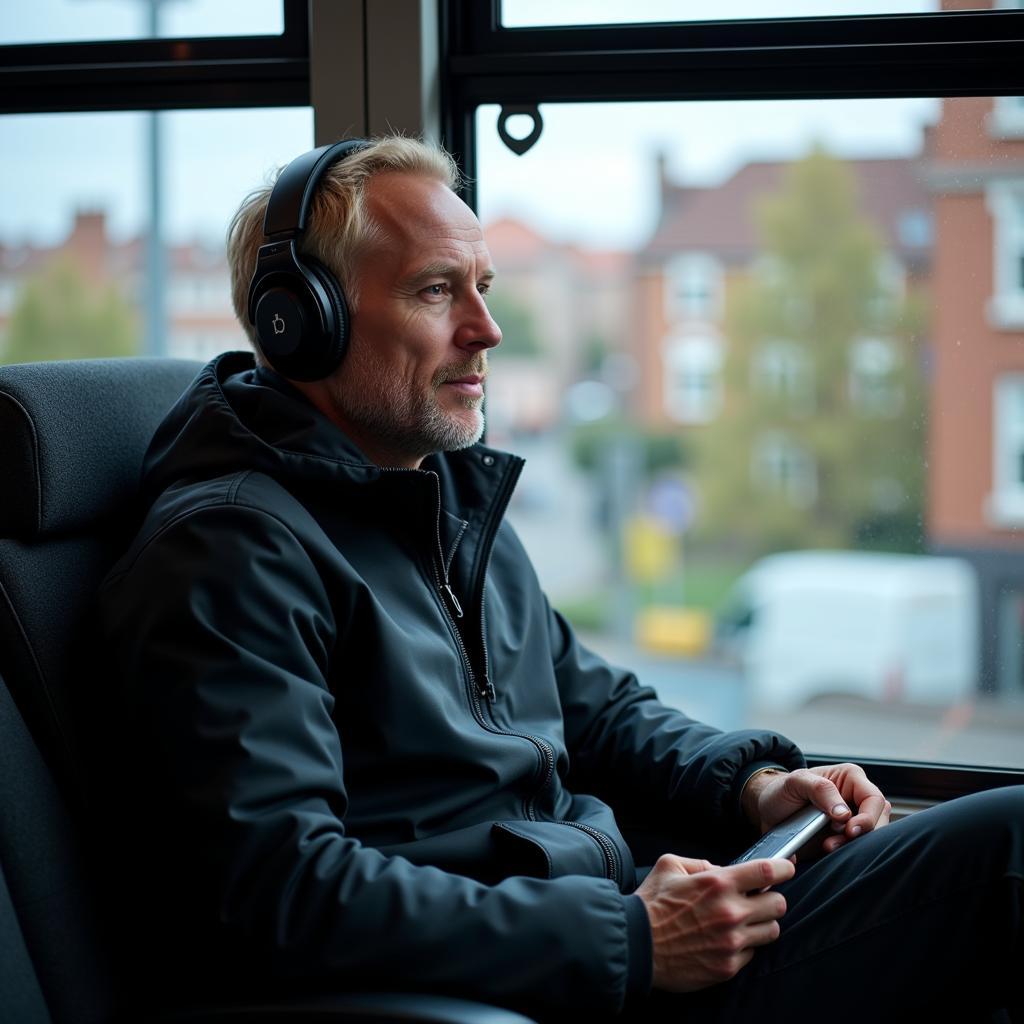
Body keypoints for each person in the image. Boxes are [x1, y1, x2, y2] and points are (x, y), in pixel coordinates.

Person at [99, 136, 1022, 1023]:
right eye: (435, 291)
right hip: (533, 983)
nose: (487, 329)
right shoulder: (228, 554)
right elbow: (286, 890)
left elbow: (596, 710)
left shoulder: (448, 498)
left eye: (484, 288)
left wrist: (751, 787)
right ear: (299, 323)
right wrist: (631, 938)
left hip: (598, 930)